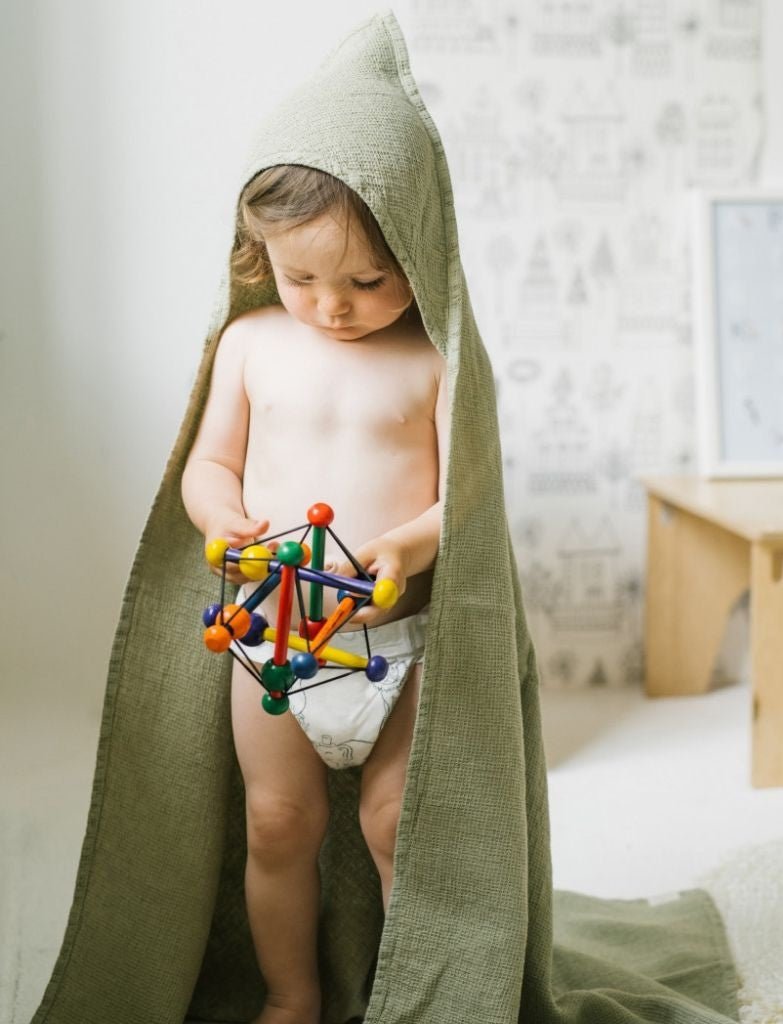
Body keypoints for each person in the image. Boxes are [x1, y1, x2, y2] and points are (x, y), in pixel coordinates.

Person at [180, 164, 449, 1024]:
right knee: (277, 822)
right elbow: (210, 462)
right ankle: (291, 995)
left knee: (396, 823)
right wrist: (222, 520)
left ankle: (408, 998)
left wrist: (405, 546)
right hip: (271, 637)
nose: (333, 306)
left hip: (395, 644)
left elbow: (467, 497)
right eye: (301, 278)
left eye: (367, 281)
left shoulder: (434, 358)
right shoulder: (251, 343)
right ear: (260, 254)